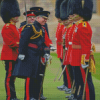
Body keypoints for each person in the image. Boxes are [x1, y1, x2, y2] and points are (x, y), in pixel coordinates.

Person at [12, 11, 50, 100]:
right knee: (29, 76)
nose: (45, 20)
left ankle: (35, 96)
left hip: (37, 55)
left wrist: (46, 53)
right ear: (38, 18)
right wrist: (21, 53)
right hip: (29, 55)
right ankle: (28, 97)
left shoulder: (42, 29)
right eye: (43, 18)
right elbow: (23, 41)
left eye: (46, 19)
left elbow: (43, 43)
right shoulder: (30, 27)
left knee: (36, 77)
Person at [0, 0, 20, 100]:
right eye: (15, 15)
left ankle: (13, 96)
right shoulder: (7, 27)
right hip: (9, 55)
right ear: (10, 15)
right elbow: (11, 43)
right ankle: (10, 97)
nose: (17, 16)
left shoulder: (14, 27)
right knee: (9, 77)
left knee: (12, 77)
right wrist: (22, 44)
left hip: (14, 55)